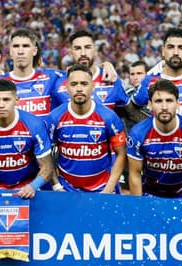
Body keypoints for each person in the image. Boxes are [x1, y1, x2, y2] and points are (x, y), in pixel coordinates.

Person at [0, 78, 54, 200]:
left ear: (16, 100)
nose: (1, 105)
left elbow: (47, 167)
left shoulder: (34, 125)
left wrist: (33, 186)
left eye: (6, 99)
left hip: (26, 186)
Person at [47, 64, 127, 193]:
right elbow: (46, 155)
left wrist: (108, 188)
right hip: (67, 189)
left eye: (84, 84)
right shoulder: (54, 117)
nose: (79, 89)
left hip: (102, 189)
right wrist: (56, 185)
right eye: (74, 84)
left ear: (93, 86)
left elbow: (121, 153)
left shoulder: (109, 117)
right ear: (67, 87)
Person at [126, 79, 182, 201]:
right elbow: (135, 174)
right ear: (150, 104)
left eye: (169, 101)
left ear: (178, 103)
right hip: (152, 193)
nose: (164, 107)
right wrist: (139, 209)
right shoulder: (138, 133)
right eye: (158, 101)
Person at [0, 28, 66, 120]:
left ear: (34, 51)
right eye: (16, 46)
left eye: (25, 46)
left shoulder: (53, 78)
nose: (20, 51)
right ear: (11, 51)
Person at [58, 29, 129, 114]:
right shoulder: (58, 83)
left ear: (95, 51)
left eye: (87, 47)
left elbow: (126, 115)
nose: (83, 53)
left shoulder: (111, 79)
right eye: (77, 48)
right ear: (70, 53)